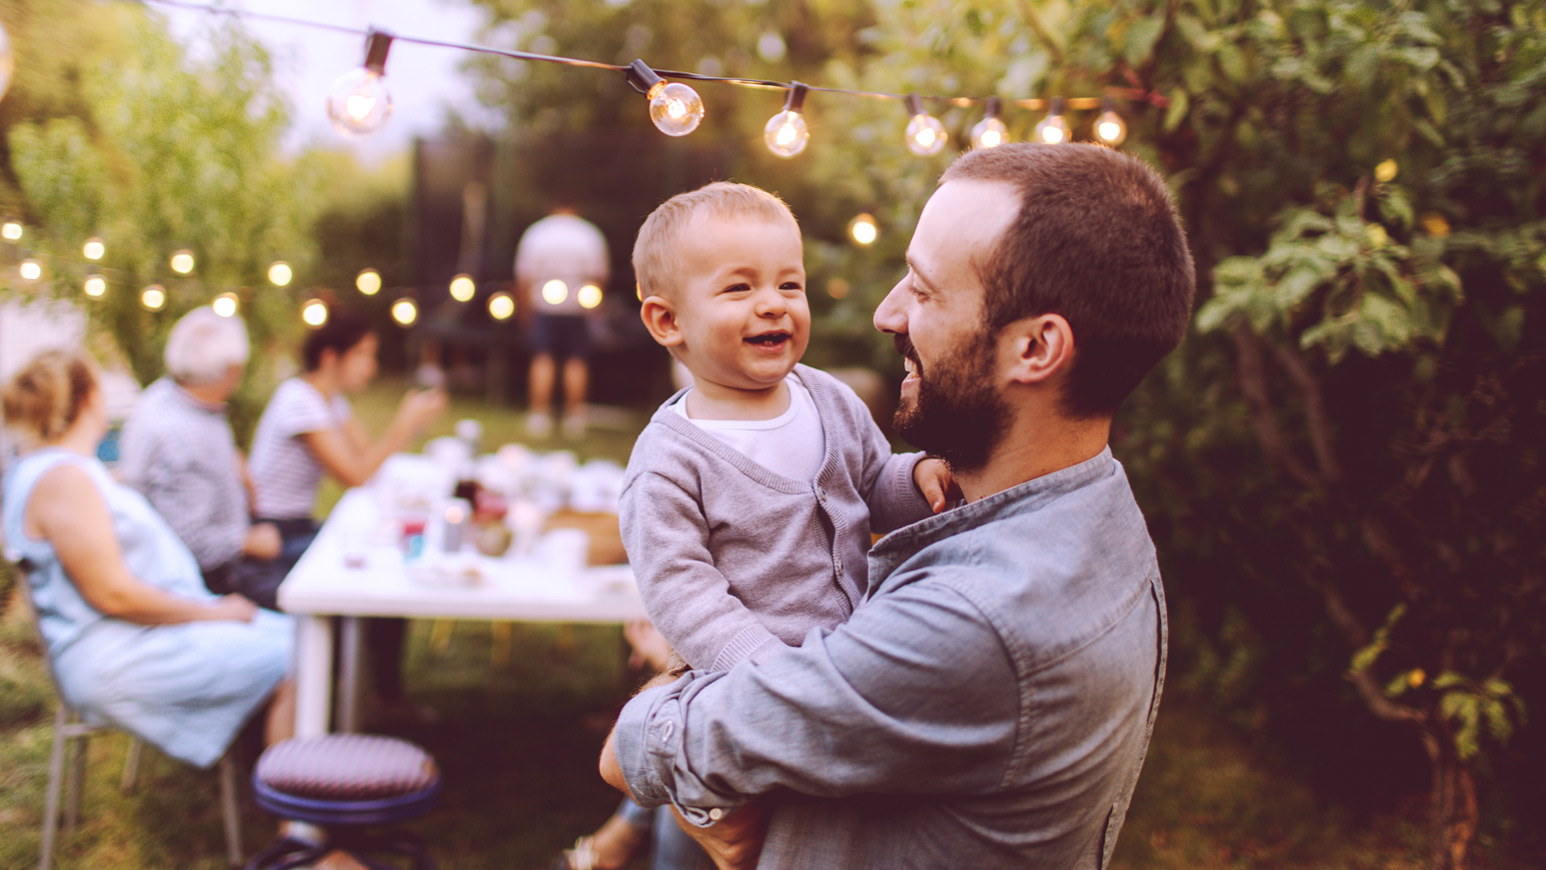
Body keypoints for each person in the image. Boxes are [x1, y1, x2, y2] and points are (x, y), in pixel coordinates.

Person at [601, 143, 1197, 869]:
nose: (887, 313)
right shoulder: (1097, 510)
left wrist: (653, 713)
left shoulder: (977, 621)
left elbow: (630, 753)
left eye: (923, 289)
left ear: (1036, 348)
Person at [557, 182, 953, 870]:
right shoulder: (670, 460)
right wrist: (763, 667)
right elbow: (683, 594)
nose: (773, 303)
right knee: (721, 837)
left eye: (788, 284)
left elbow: (870, 485)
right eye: (738, 289)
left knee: (814, 819)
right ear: (666, 321)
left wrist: (915, 480)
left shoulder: (827, 400)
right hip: (739, 682)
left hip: (841, 666)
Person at [1, 349, 295, 769]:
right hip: (119, 654)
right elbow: (114, 595)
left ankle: (291, 787)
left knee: (300, 635)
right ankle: (301, 823)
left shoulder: (53, 469)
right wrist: (213, 612)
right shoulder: (65, 481)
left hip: (135, 639)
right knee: (303, 653)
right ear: (88, 400)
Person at [247, 309, 446, 719]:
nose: (371, 368)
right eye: (364, 355)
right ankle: (365, 699)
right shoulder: (299, 401)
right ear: (331, 358)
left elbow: (367, 462)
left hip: (295, 525)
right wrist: (404, 425)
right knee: (377, 569)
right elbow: (355, 475)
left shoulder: (329, 401)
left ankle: (380, 694)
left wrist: (401, 433)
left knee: (386, 563)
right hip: (273, 533)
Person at [119, 307, 293, 610]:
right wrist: (248, 541)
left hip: (216, 558)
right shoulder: (185, 436)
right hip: (210, 583)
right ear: (233, 370)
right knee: (324, 595)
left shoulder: (163, 396)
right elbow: (186, 543)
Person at [515, 208, 610, 439]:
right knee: (576, 360)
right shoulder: (589, 234)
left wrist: (524, 310)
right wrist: (595, 309)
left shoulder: (537, 232)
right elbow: (600, 276)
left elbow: (524, 277)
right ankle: (574, 417)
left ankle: (539, 415)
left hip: (544, 306)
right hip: (577, 307)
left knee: (542, 357)